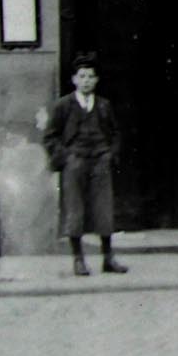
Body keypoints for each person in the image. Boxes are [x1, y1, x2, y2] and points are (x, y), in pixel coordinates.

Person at [42, 54, 127, 278]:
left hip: (100, 160)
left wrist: (110, 154)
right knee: (75, 210)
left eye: (91, 76)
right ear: (74, 80)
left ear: (97, 80)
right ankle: (78, 259)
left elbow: (115, 132)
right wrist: (66, 157)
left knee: (104, 209)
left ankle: (108, 258)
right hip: (75, 161)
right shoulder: (63, 105)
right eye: (82, 76)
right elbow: (50, 137)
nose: (87, 80)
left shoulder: (103, 105)